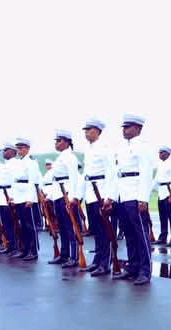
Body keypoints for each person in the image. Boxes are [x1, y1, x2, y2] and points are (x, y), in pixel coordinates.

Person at [112, 114, 154, 285]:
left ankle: (145, 270)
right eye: (123, 127)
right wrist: (114, 197)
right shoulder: (122, 148)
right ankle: (133, 266)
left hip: (135, 195)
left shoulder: (143, 147)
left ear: (138, 128)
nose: (124, 130)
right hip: (123, 195)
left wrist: (143, 198)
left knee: (141, 234)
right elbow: (117, 174)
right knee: (128, 233)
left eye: (127, 127)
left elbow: (146, 173)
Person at [79, 118, 117, 276]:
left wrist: (109, 196)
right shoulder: (88, 150)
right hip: (90, 193)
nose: (86, 133)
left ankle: (105, 263)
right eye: (85, 130)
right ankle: (97, 260)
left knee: (104, 230)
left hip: (101, 191)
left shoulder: (105, 148)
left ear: (97, 131)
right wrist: (80, 195)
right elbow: (86, 175)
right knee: (96, 230)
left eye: (89, 130)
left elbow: (111, 173)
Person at [48, 130, 82, 267]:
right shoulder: (61, 157)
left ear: (67, 142)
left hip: (66, 194)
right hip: (58, 194)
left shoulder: (70, 157)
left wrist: (73, 197)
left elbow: (74, 178)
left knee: (70, 226)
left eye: (59, 141)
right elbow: (55, 180)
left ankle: (74, 257)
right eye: (56, 141)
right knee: (62, 226)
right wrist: (50, 196)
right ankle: (64, 254)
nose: (56, 143)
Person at [12, 137, 42, 260]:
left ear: (28, 149)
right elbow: (15, 181)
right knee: (23, 225)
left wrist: (30, 198)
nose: (20, 150)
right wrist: (13, 197)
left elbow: (32, 182)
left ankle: (33, 251)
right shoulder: (18, 162)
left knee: (30, 225)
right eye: (18, 148)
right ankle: (25, 249)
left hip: (27, 195)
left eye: (22, 148)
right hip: (19, 196)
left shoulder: (31, 162)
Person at [153, 145, 171, 246]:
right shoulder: (160, 164)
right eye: (159, 153)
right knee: (162, 217)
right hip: (161, 192)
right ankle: (163, 237)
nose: (159, 154)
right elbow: (156, 180)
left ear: (167, 153)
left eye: (161, 152)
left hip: (168, 192)